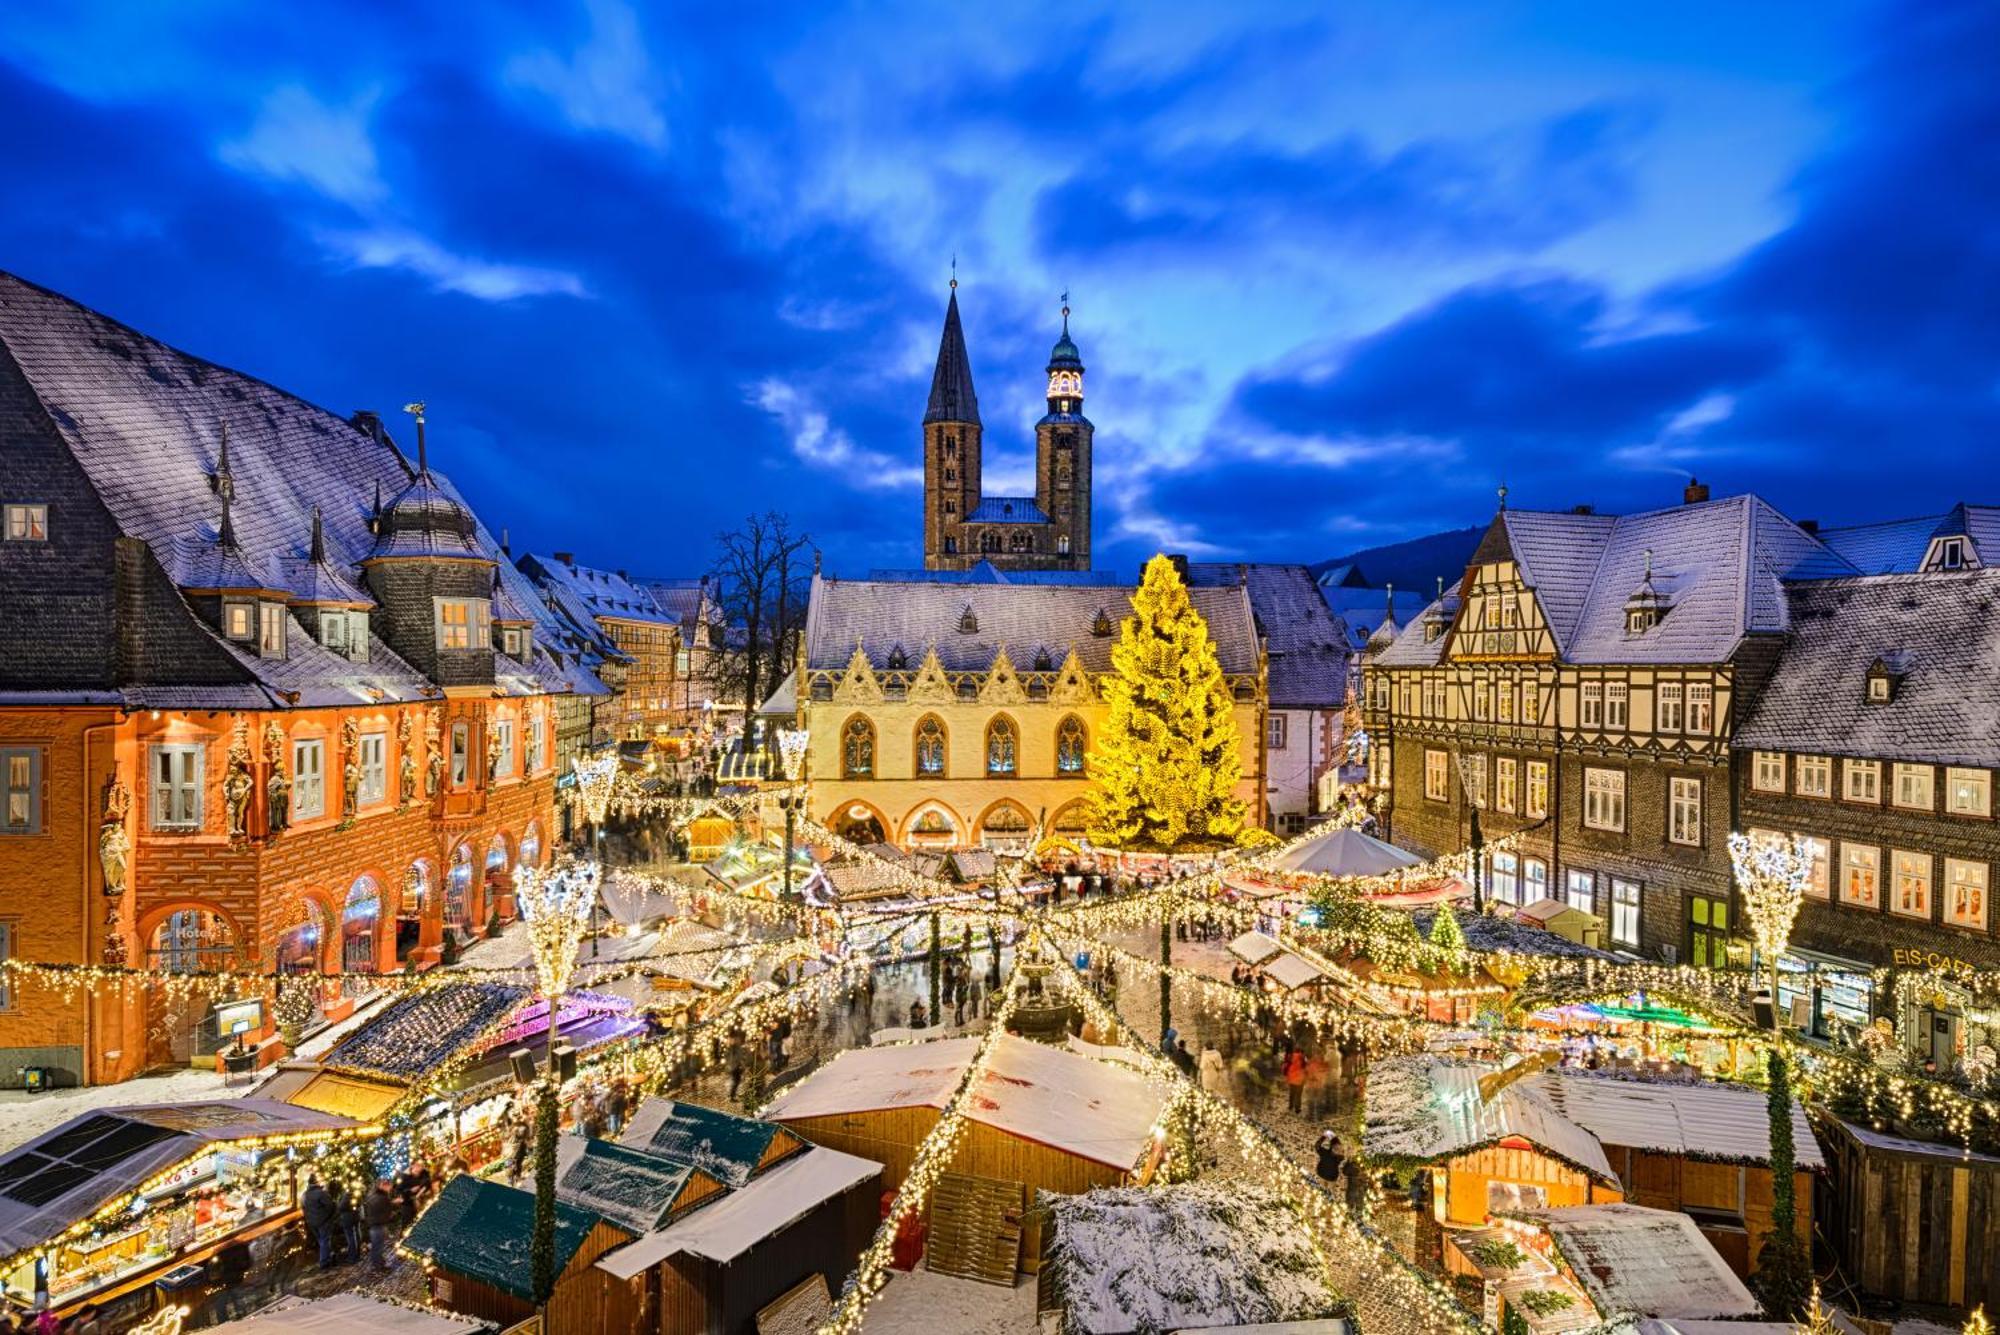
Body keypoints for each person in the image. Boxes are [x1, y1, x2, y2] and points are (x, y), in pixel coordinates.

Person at [300, 1175, 336, 1269]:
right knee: (325, 1240)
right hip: (323, 1221)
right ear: (317, 1182)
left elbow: (303, 1208)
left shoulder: (304, 1195)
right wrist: (327, 1217)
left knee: (321, 1240)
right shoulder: (321, 1193)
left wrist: (309, 1219)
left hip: (312, 1222)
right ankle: (324, 1262)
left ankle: (327, 1256)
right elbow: (330, 1206)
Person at [364, 1178, 397, 1271]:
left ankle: (378, 1263)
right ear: (382, 1185)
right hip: (378, 1224)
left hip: (374, 1224)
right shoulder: (382, 1197)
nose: (390, 1188)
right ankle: (379, 1266)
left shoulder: (372, 1195)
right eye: (389, 1186)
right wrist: (391, 1211)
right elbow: (386, 1210)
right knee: (378, 1247)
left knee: (376, 1246)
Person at [1284, 1048, 1307, 1113]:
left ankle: (1291, 1106)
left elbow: (1286, 1067)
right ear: (1300, 1052)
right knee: (1298, 1094)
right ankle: (1297, 1108)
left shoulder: (1290, 1057)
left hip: (1292, 1078)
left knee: (1292, 1093)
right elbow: (1305, 1068)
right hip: (1300, 1078)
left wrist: (1287, 1076)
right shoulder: (1303, 1058)